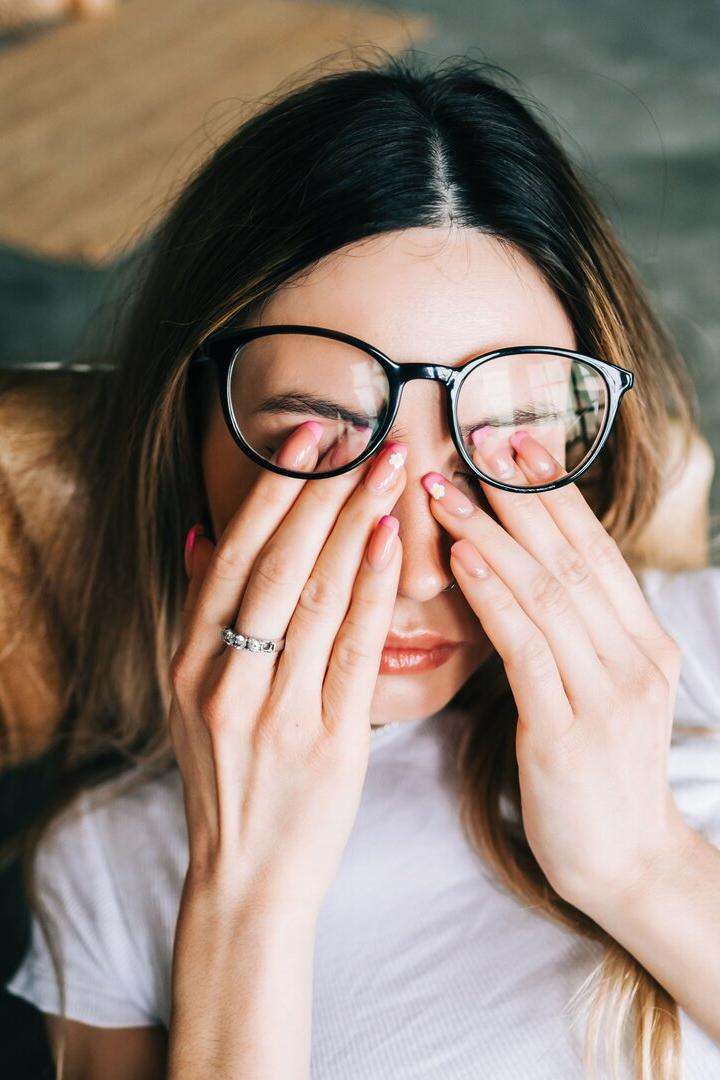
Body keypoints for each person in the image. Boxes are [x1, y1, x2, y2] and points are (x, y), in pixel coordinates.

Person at [3, 50, 720, 1080]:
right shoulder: (113, 866)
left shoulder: (704, 649)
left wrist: (642, 862)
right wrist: (248, 896)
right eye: (321, 443)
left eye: (505, 441)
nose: (420, 570)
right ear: (190, 437)